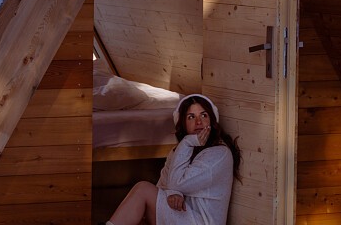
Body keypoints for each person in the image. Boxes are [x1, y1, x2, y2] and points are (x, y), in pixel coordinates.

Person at [102, 93, 241, 225]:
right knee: (142, 196)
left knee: (143, 189)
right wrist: (173, 193)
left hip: (201, 221)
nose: (199, 122)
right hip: (183, 217)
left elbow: (178, 183)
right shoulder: (179, 151)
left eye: (204, 115)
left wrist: (187, 142)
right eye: (191, 117)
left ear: (212, 120)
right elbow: (163, 185)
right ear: (183, 124)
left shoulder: (219, 154)